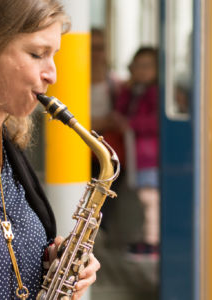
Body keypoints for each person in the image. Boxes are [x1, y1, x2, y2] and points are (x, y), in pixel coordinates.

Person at [0, 0, 100, 299]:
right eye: (36, 54)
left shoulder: (9, 150)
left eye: (53, 56)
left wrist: (58, 267)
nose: (52, 74)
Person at [113, 47, 160, 258]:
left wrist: (130, 124)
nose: (141, 71)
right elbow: (120, 110)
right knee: (142, 201)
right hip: (136, 156)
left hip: (150, 157)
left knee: (150, 200)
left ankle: (152, 242)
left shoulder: (156, 93)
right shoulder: (133, 91)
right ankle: (145, 238)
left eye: (147, 66)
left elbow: (156, 121)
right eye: (137, 66)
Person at [90, 28, 123, 232]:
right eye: (92, 48)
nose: (96, 54)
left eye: (100, 48)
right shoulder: (70, 82)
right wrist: (101, 122)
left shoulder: (115, 83)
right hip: (82, 155)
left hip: (108, 155)